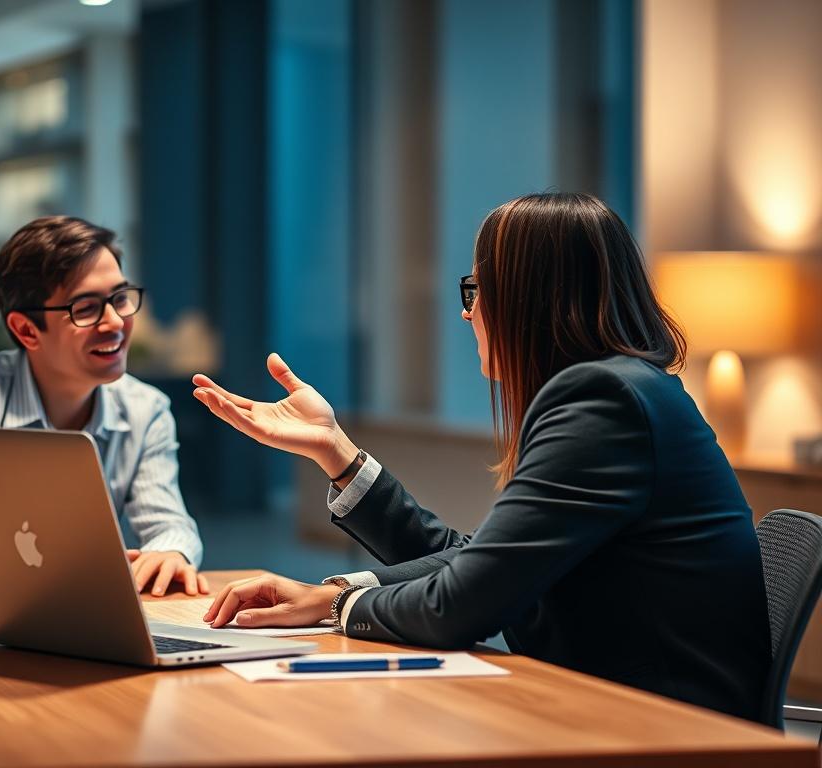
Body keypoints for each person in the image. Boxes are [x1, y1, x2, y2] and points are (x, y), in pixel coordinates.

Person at [194, 192, 771, 721]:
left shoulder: (605, 401)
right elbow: (476, 564)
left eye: (476, 290)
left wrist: (340, 603)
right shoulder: (625, 389)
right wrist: (335, 451)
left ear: (528, 300)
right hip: (618, 708)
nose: (468, 313)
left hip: (661, 731)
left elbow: (461, 605)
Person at [0, 216, 208, 597]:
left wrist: (168, 552)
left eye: (120, 298)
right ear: (26, 330)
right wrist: (50, 561)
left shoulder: (145, 409)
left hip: (85, 620)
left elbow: (171, 524)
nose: (115, 322)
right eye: (86, 308)